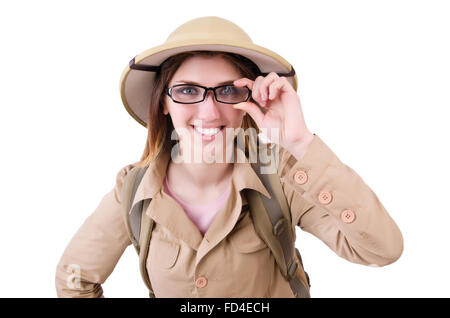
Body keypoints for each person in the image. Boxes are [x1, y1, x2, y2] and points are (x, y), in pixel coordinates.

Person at [55, 16, 403, 298]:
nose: (209, 112)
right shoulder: (131, 189)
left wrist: (299, 142)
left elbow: (382, 249)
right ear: (163, 102)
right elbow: (74, 281)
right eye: (188, 90)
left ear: (249, 100)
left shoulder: (280, 175)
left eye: (227, 91)